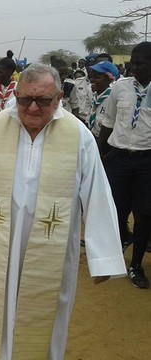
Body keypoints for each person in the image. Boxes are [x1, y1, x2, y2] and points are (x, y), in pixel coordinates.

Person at [0, 63, 126, 359]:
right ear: (17, 96)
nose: (33, 108)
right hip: (3, 243)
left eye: (43, 100)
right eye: (26, 100)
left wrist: (104, 258)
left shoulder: (78, 135)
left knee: (45, 319)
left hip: (54, 248)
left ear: (59, 97)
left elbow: (97, 193)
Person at [98, 42, 151, 289]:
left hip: (146, 161)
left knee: (144, 215)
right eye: (132, 62)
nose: (133, 67)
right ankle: (122, 238)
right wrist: (101, 155)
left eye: (139, 63)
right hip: (118, 158)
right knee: (114, 210)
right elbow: (107, 122)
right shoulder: (119, 88)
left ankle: (136, 265)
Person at [87, 61, 118, 141]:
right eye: (91, 76)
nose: (92, 80)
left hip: (105, 141)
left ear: (108, 80)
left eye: (97, 77)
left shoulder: (113, 97)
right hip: (92, 135)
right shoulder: (95, 94)